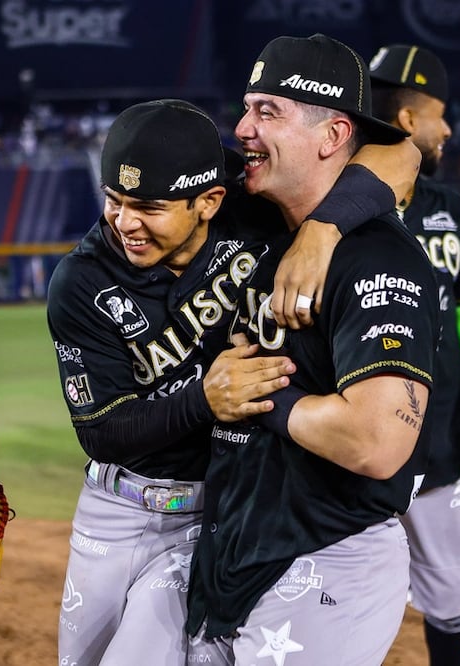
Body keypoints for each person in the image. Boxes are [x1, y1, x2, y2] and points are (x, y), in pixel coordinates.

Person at [46, 94, 420, 664]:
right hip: (117, 509)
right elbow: (101, 432)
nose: (125, 223)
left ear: (209, 200)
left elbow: (400, 152)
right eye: (114, 201)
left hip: (217, 513)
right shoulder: (83, 280)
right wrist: (205, 399)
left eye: (148, 206)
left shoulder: (253, 203)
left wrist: (322, 230)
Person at [184, 33, 442, 665]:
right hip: (235, 554)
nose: (242, 128)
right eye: (246, 108)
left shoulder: (379, 256)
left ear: (331, 138)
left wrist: (258, 396)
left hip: (327, 559)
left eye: (267, 111)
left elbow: (378, 442)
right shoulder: (258, 213)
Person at [366, 43, 460, 665]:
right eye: (439, 114)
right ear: (407, 122)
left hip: (440, 458)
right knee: (335, 600)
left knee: (452, 602)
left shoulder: (448, 209)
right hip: (350, 466)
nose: (449, 128)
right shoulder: (330, 209)